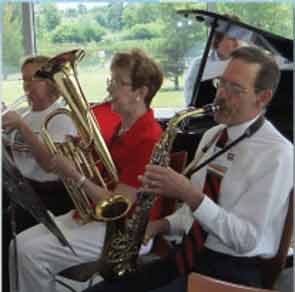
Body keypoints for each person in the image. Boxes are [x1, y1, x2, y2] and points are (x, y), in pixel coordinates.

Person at [82, 46, 293, 292]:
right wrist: (158, 225)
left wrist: (189, 195)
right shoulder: (213, 136)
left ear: (263, 97)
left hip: (234, 271)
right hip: (190, 256)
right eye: (221, 84)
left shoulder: (278, 155)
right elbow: (193, 216)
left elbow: (245, 239)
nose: (221, 95)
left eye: (235, 89)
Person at [3, 48, 163, 292]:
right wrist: (80, 156)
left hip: (126, 231)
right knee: (18, 244)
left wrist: (74, 174)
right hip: (95, 216)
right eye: (111, 80)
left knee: (30, 253)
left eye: (118, 83)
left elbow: (119, 205)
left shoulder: (148, 137)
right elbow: (103, 179)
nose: (109, 89)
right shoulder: (122, 128)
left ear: (140, 93)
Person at [2, 55, 76, 292]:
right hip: (24, 192)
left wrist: (23, 128)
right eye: (24, 81)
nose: (27, 87)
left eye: (34, 80)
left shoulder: (61, 117)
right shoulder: (24, 113)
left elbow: (49, 165)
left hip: (53, 199)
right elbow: (16, 159)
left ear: (51, 83)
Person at [184, 14, 243, 105]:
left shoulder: (246, 65)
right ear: (217, 40)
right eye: (232, 39)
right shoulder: (199, 65)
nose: (237, 43)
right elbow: (190, 100)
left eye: (239, 38)